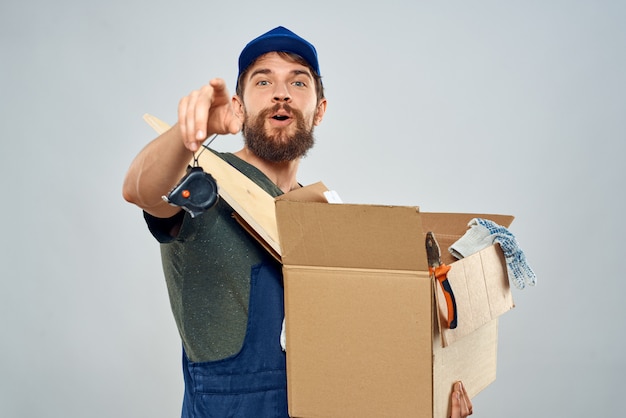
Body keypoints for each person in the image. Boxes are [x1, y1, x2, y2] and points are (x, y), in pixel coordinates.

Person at [123, 26, 473, 418]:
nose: (281, 92)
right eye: (263, 80)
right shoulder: (204, 184)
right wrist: (188, 135)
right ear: (238, 107)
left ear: (319, 110)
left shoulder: (323, 215)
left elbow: (354, 359)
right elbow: (140, 190)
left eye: (298, 81)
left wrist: (422, 399)